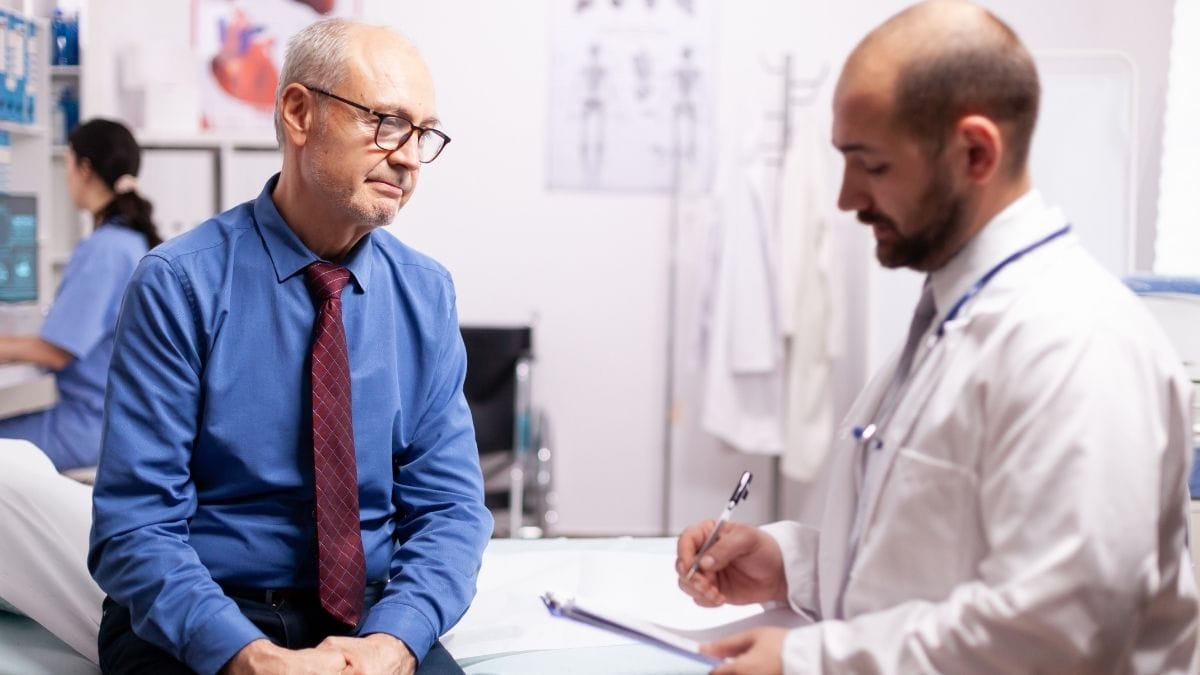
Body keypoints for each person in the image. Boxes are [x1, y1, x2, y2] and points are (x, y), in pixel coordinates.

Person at [675, 2, 1198, 673]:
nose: (845, 198)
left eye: (871, 165)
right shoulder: (949, 320)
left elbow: (1061, 633)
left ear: (975, 153)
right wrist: (790, 565)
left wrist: (815, 658)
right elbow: (933, 557)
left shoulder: (1076, 344)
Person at [88, 18, 491, 675]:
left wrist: (394, 640)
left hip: (368, 619)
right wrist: (244, 654)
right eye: (387, 122)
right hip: (206, 610)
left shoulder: (425, 294)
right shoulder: (180, 284)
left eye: (423, 133)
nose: (410, 157)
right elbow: (135, 526)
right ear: (299, 113)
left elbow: (450, 510)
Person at [0, 119, 159, 471]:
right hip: (118, 422)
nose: (67, 176)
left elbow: (56, 351)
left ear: (84, 169)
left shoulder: (105, 250)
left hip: (92, 426)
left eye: (68, 164)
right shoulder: (131, 242)